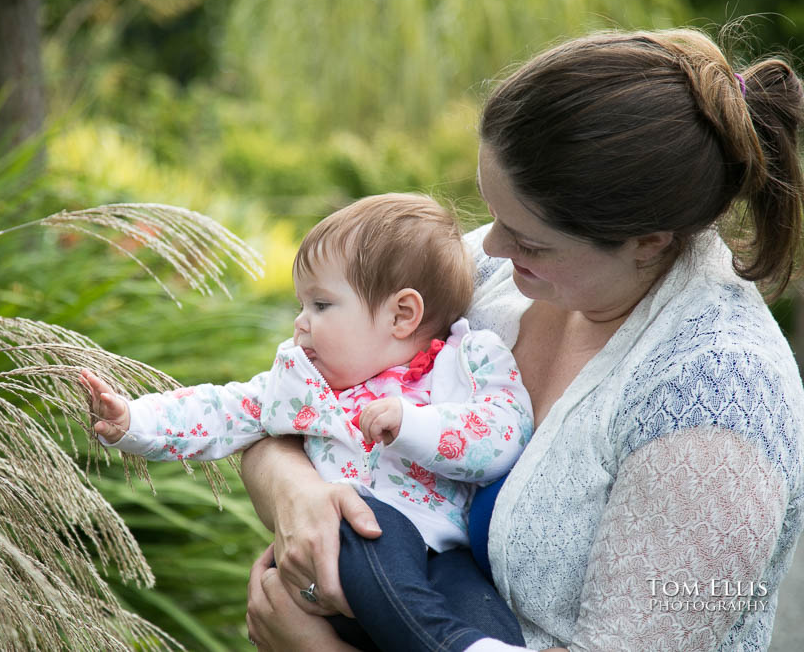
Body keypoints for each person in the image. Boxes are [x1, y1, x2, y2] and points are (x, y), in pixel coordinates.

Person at [242, 28, 804, 651]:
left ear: (648, 240)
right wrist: (296, 495)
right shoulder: (494, 276)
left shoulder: (718, 414)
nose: (487, 246)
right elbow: (281, 403)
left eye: (528, 238)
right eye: (495, 212)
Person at [81, 193, 535, 649]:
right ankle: (449, 643)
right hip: (338, 552)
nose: (300, 323)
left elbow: (503, 436)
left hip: (440, 555)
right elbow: (220, 409)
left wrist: (414, 425)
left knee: (478, 605)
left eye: (320, 305)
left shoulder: (467, 361)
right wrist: (133, 420)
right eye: (302, 305)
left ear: (402, 314)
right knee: (366, 523)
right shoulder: (305, 382)